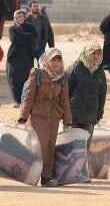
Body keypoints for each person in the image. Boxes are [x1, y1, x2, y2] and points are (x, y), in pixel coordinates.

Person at [18, 48, 72, 187]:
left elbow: (64, 100)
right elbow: (29, 96)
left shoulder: (63, 76)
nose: (55, 63)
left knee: (50, 147)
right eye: (53, 60)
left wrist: (67, 120)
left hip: (53, 117)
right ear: (47, 59)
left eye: (58, 60)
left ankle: (46, 177)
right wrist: (23, 116)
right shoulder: (37, 73)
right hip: (37, 115)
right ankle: (32, 175)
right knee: (38, 147)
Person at [66, 42, 107, 150]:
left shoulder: (100, 72)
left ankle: (83, 167)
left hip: (90, 116)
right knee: (71, 148)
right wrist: (65, 113)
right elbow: (64, 93)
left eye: (98, 53)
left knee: (84, 149)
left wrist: (99, 114)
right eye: (93, 53)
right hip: (73, 115)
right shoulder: (74, 69)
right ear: (87, 52)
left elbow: (102, 95)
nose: (96, 56)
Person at [6, 9, 37, 108]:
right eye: (18, 17)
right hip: (14, 56)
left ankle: (25, 100)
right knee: (14, 78)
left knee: (27, 78)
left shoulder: (30, 27)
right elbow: (14, 40)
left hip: (27, 56)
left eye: (22, 16)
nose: (21, 18)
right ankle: (16, 100)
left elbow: (34, 36)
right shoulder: (12, 28)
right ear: (15, 18)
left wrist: (22, 35)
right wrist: (27, 37)